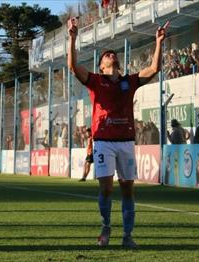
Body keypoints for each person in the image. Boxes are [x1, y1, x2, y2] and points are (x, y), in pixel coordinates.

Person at [67, 17, 169, 248]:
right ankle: (105, 226)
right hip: (103, 141)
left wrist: (159, 42)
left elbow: (154, 68)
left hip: (126, 142)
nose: (111, 54)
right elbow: (73, 67)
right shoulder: (95, 80)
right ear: (101, 66)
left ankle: (128, 235)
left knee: (127, 189)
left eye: (113, 53)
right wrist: (72, 38)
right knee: (107, 187)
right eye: (106, 55)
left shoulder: (129, 81)